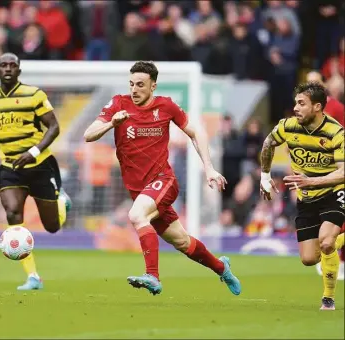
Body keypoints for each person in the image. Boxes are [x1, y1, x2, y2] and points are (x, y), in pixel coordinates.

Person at [84, 60, 241, 296]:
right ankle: (222, 268)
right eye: (131, 84)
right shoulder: (118, 104)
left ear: (153, 86)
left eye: (140, 85)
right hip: (139, 190)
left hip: (163, 181)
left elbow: (196, 132)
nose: (134, 89)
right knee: (182, 242)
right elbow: (88, 134)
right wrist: (110, 124)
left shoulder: (166, 106)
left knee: (136, 215)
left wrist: (208, 168)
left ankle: (153, 276)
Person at [260, 82, 344, 310]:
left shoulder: (335, 132)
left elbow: (343, 173)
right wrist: (265, 175)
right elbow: (268, 143)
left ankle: (328, 298)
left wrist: (311, 180)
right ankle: (339, 240)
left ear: (317, 107)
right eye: (295, 102)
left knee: (326, 243)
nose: (295, 108)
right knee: (309, 259)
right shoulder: (288, 127)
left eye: (301, 103)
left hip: (334, 192)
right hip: (307, 197)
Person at [0, 53, 72, 291]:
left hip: (40, 165)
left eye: (12, 65)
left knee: (52, 226)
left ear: (19, 70)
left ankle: (61, 203)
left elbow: (54, 127)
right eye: (3, 65)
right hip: (10, 168)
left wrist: (34, 152)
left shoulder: (34, 95)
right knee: (13, 214)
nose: (7, 69)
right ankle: (33, 277)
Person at [306, 70, 345, 280]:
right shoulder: (303, 110)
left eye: (315, 83)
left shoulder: (336, 108)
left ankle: (334, 251)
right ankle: (329, 251)